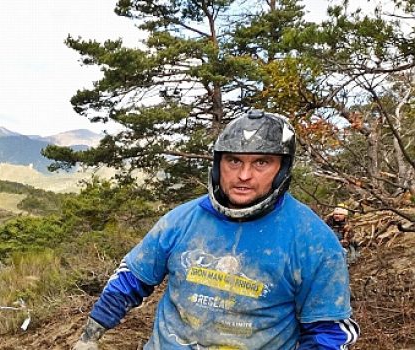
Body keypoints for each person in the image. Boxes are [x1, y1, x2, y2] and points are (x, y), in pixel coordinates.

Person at [72, 110, 359, 349]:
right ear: (218, 163)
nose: (244, 175)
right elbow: (133, 279)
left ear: (282, 169)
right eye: (234, 161)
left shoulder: (313, 241)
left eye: (261, 162)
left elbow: (327, 331)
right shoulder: (183, 220)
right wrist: (91, 333)